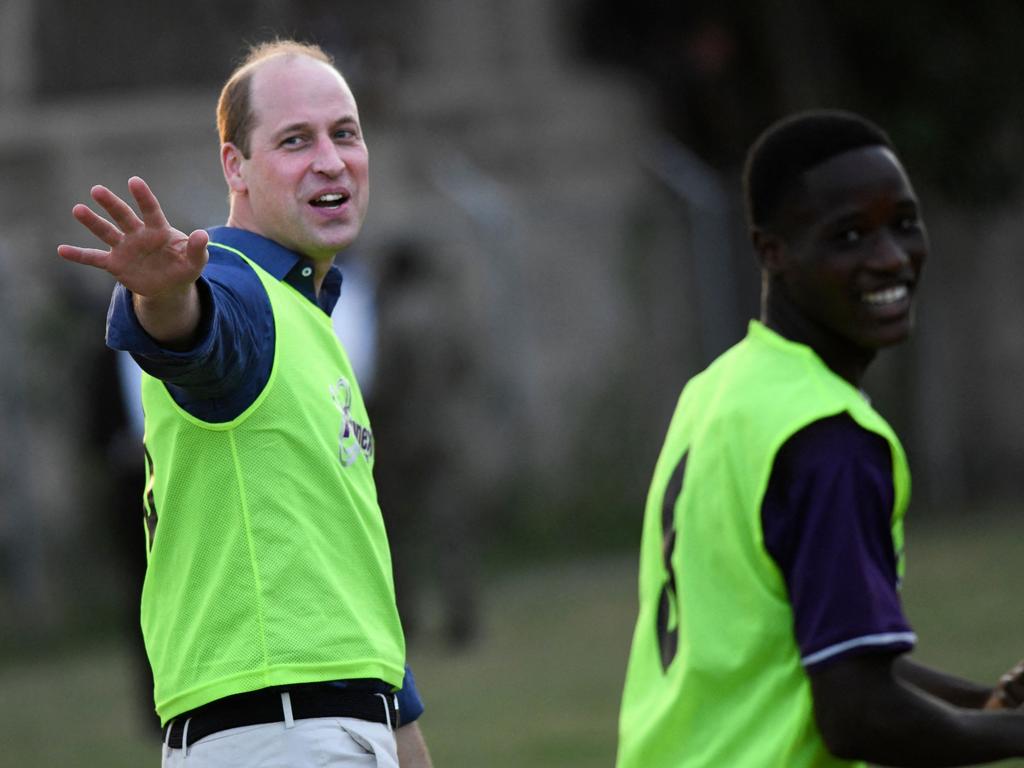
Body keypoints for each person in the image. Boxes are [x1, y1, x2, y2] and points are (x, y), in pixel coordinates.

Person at [58, 40, 433, 768]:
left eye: (345, 133)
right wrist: (163, 295)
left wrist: (402, 723)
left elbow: (328, 557)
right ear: (236, 166)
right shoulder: (237, 289)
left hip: (324, 722)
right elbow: (198, 337)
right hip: (286, 734)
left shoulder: (306, 315)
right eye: (295, 140)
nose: (330, 158)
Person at [616, 109, 1024, 767]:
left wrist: (986, 708)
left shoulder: (721, 389)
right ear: (771, 251)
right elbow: (859, 716)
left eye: (904, 223)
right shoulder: (828, 441)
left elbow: (801, 649)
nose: (890, 257)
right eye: (849, 235)